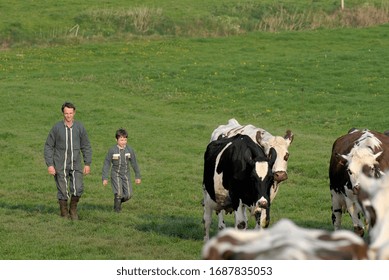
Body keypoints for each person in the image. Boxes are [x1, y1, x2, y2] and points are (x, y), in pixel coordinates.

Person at [44, 102, 92, 220]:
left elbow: (86, 146)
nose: (68, 116)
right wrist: (50, 165)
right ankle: (64, 213)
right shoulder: (56, 128)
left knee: (78, 188)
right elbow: (48, 146)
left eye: (70, 113)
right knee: (62, 190)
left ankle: (73, 210)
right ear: (63, 113)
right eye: (66, 113)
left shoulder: (80, 127)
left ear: (74, 113)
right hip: (60, 164)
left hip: (76, 163)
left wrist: (87, 163)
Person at [102, 128, 141, 212]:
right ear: (116, 139)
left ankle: (118, 202)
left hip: (126, 174)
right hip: (115, 174)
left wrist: (137, 176)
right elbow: (107, 163)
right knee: (118, 193)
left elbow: (134, 163)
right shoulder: (112, 150)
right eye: (121, 140)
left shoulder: (130, 150)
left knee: (128, 195)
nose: (123, 142)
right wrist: (104, 177)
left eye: (125, 140)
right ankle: (117, 210)